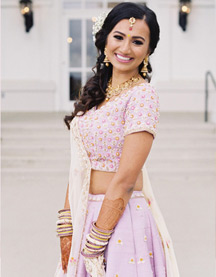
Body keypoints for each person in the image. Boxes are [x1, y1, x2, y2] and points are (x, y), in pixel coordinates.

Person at [55, 2, 179, 277]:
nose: (125, 49)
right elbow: (78, 164)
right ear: (105, 39)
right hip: (85, 213)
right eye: (119, 37)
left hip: (121, 220)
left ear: (148, 51)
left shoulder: (142, 96)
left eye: (137, 41)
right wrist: (66, 227)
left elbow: (124, 179)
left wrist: (98, 239)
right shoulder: (96, 93)